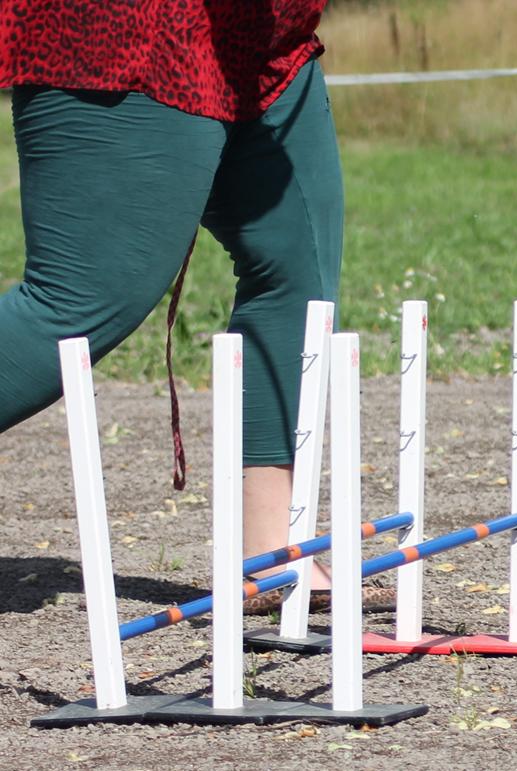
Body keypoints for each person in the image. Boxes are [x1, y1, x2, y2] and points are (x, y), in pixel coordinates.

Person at [0, 2, 390, 611]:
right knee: (78, 304)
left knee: (297, 270)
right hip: (132, 31)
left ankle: (271, 555)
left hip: (263, 37)